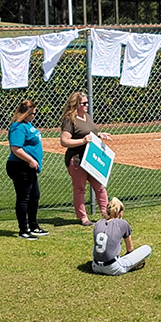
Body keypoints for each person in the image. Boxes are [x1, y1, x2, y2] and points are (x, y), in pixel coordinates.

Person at [60, 92, 113, 226]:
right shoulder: (69, 120)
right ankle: (83, 217)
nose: (86, 105)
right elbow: (64, 141)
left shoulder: (87, 117)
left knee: (100, 187)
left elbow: (91, 133)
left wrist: (99, 134)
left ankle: (107, 215)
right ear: (76, 104)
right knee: (80, 189)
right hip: (77, 159)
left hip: (91, 158)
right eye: (83, 103)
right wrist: (82, 141)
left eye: (87, 103)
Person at [6, 99, 48, 240]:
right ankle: (23, 230)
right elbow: (16, 148)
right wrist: (30, 160)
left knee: (34, 196)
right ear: (26, 113)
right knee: (24, 198)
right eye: (32, 114)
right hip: (20, 166)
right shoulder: (18, 127)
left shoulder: (28, 125)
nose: (34, 116)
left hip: (30, 167)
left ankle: (33, 225)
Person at [92, 197, 151, 275]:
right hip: (113, 268)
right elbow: (130, 249)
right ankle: (129, 265)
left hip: (95, 267)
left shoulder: (98, 223)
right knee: (147, 248)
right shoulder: (122, 223)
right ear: (120, 213)